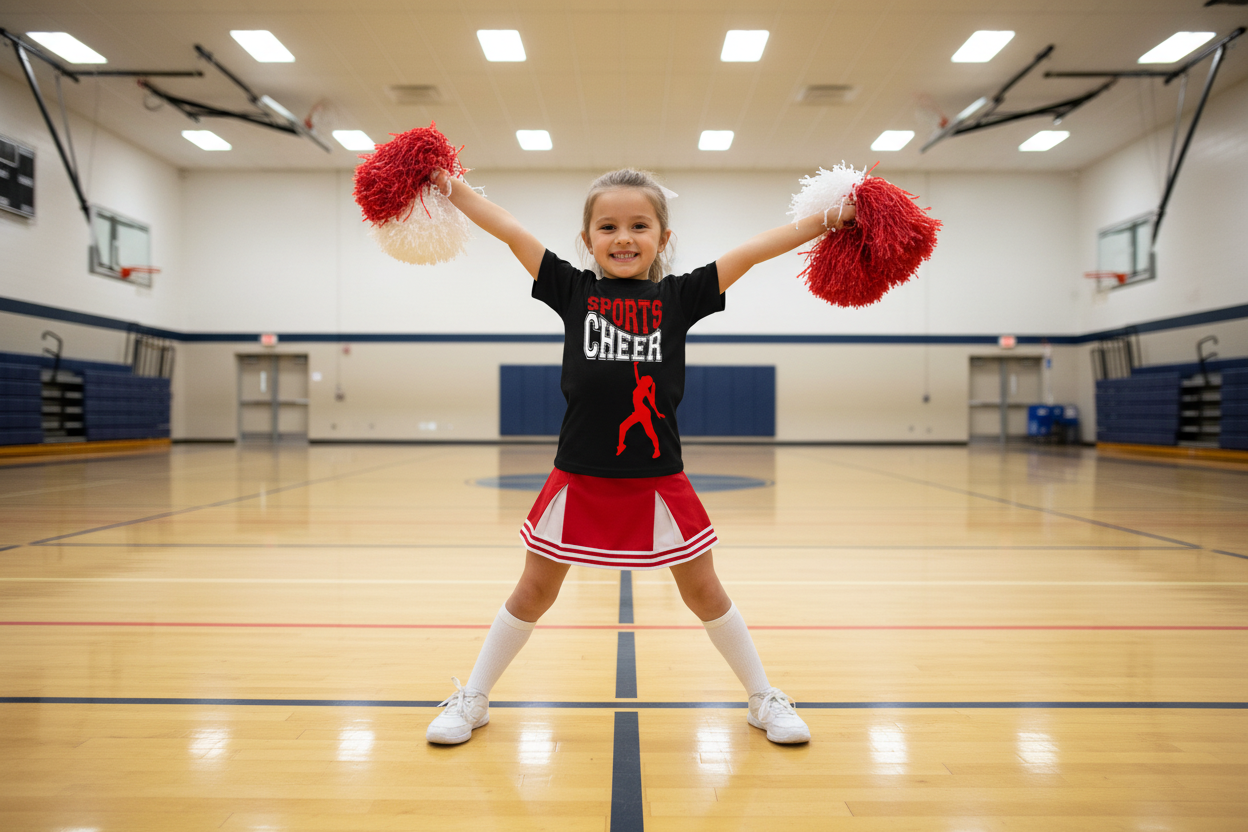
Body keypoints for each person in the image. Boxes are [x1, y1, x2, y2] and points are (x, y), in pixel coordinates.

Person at [424, 167, 854, 745]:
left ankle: (761, 698)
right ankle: (473, 698)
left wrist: (831, 219)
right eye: (608, 226)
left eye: (639, 225)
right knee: (533, 591)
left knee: (703, 590)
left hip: (657, 477)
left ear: (663, 237)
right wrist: (447, 185)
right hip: (577, 474)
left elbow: (752, 252)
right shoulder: (572, 289)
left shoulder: (679, 297)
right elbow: (508, 229)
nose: (623, 237)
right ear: (587, 239)